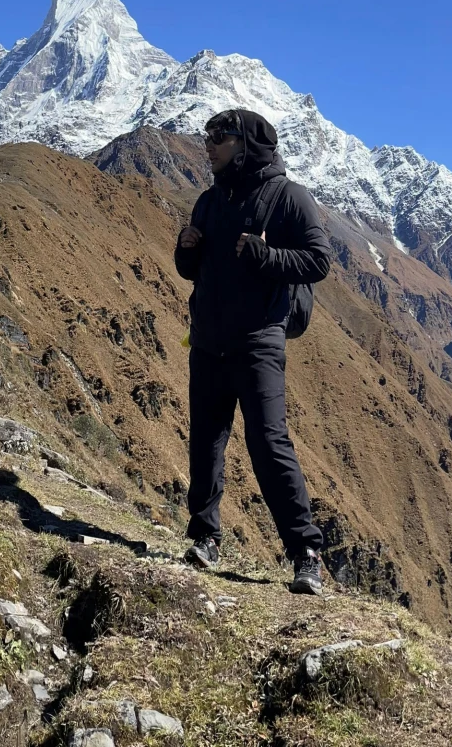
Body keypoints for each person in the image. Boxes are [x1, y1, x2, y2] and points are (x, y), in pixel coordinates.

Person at [171, 108, 338, 595]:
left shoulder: (290, 198)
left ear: (245, 144)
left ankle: (305, 553)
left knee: (268, 443)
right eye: (207, 136)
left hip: (258, 340)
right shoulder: (208, 201)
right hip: (207, 340)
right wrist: (185, 249)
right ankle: (204, 537)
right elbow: (190, 269)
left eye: (218, 136)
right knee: (205, 441)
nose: (209, 144)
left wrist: (266, 256)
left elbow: (318, 260)